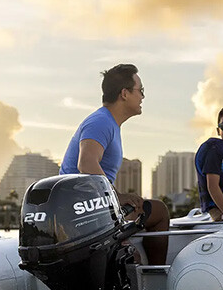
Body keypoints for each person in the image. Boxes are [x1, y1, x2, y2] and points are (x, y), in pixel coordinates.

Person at [59, 63, 169, 264]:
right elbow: (86, 164)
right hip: (82, 210)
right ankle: (158, 275)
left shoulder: (108, 122)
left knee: (156, 210)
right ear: (125, 93)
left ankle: (155, 271)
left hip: (95, 205)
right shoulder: (100, 122)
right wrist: (117, 196)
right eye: (141, 90)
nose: (143, 97)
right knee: (157, 215)